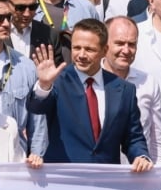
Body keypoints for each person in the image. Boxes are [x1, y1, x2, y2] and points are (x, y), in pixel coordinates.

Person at [27, 19, 153, 170]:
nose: (81, 55)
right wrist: (44, 85)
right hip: (65, 181)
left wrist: (141, 156)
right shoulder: (58, 82)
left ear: (104, 51)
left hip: (107, 183)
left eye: (89, 49)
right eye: (76, 48)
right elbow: (36, 107)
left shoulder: (124, 89)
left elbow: (133, 137)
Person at [101, 16, 161, 163]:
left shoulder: (148, 83)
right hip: (101, 175)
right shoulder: (91, 81)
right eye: (119, 43)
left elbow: (158, 138)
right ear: (105, 44)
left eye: (131, 44)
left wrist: (159, 175)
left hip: (139, 175)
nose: (126, 50)